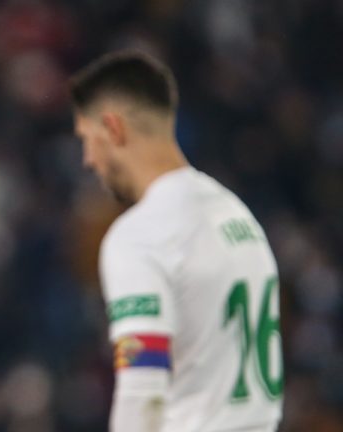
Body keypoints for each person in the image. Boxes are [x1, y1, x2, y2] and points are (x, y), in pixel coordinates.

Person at [69, 51, 283, 431]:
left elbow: (143, 393)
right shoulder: (237, 215)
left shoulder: (141, 235)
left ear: (114, 129)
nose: (88, 160)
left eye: (87, 139)